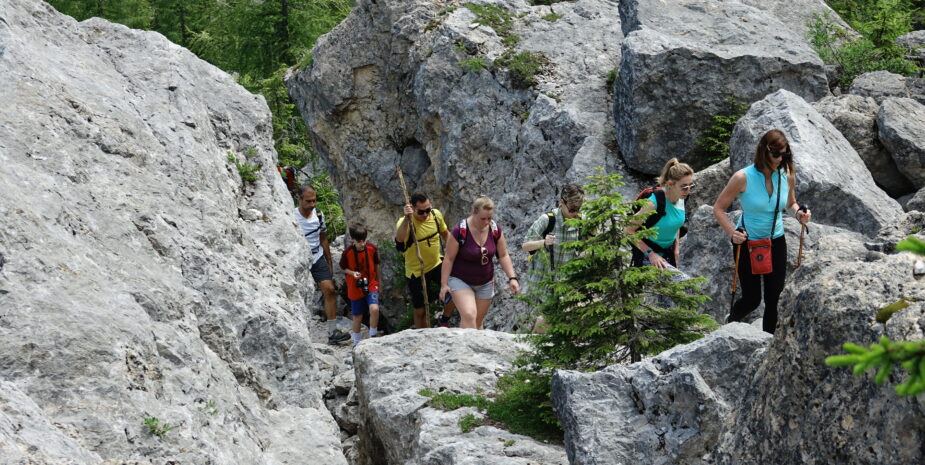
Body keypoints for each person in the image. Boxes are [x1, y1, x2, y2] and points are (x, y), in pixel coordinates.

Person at [713, 129, 812, 334]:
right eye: (776, 154)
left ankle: (767, 345)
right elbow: (719, 208)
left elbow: (791, 203)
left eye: (784, 155)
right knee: (752, 299)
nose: (780, 159)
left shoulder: (787, 175)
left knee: (774, 297)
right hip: (747, 241)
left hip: (776, 240)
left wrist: (799, 214)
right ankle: (731, 320)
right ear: (764, 151)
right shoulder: (742, 177)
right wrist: (733, 233)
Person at [439, 196, 519, 329]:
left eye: (489, 218)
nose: (487, 222)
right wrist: (444, 285)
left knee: (477, 322)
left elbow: (503, 255)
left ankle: (474, 348)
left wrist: (512, 278)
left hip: (485, 282)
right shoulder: (460, 231)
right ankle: (466, 349)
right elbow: (448, 258)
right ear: (474, 212)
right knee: (469, 315)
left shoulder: (495, 230)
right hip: (460, 279)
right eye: (483, 218)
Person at [295, 185, 348, 344]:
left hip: (317, 257)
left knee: (330, 289)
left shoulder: (318, 215)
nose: (312, 204)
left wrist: (329, 260)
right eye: (308, 201)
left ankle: (332, 333)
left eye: (314, 201)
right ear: (299, 199)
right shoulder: (291, 215)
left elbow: (323, 237)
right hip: (298, 258)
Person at [395, 192, 456, 328]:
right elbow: (399, 241)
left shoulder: (435, 215)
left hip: (436, 263)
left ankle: (444, 320)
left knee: (455, 290)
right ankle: (421, 334)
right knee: (420, 310)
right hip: (416, 271)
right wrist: (406, 219)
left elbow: (446, 234)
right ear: (413, 208)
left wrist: (457, 251)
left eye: (428, 210)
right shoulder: (406, 223)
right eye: (421, 212)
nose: (426, 214)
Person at [627, 158, 694, 274]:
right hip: (648, 254)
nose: (688, 191)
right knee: (686, 288)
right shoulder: (654, 202)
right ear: (670, 185)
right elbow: (628, 230)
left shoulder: (682, 197)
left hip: (668, 252)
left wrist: (676, 250)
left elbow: (676, 224)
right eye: (684, 187)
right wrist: (651, 254)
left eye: (690, 186)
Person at [521, 184, 585, 297]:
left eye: (578, 209)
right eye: (572, 210)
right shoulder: (547, 220)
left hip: (565, 289)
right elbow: (525, 246)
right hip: (540, 287)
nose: (575, 213)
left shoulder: (581, 222)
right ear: (562, 203)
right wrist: (544, 242)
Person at [339, 223, 381, 346]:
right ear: (352, 239)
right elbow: (342, 268)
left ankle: (373, 335)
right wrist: (352, 273)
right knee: (357, 316)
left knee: (374, 309)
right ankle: (356, 342)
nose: (362, 244)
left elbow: (377, 264)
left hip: (371, 283)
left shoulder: (372, 248)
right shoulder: (347, 253)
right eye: (358, 241)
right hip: (355, 287)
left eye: (363, 241)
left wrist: (379, 283)